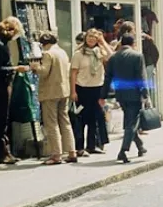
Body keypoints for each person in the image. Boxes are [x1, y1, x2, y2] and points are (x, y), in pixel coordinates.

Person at [0, 17, 29, 164]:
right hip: (1, 85)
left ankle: (4, 151)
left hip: (4, 83)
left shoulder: (1, 43)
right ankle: (1, 153)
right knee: (2, 117)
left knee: (4, 117)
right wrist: (16, 68)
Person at [31, 32, 77, 165]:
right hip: (64, 91)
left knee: (51, 123)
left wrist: (34, 67)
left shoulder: (48, 54)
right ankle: (72, 151)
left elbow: (44, 71)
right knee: (65, 121)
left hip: (50, 92)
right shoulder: (62, 52)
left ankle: (56, 154)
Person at [103, 33, 148, 164]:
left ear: (121, 43)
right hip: (135, 94)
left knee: (129, 121)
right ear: (133, 43)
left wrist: (103, 95)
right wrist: (145, 95)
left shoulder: (114, 57)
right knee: (132, 123)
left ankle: (140, 146)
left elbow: (108, 78)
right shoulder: (137, 56)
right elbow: (141, 77)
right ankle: (123, 151)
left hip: (121, 94)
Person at [70, 29, 111, 157]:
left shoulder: (100, 52)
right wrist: (73, 91)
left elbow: (111, 56)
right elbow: (73, 73)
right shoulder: (78, 54)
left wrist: (103, 42)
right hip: (82, 89)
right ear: (85, 38)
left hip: (97, 88)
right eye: (89, 37)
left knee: (95, 118)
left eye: (94, 37)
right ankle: (79, 147)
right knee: (81, 119)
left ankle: (92, 146)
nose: (91, 39)